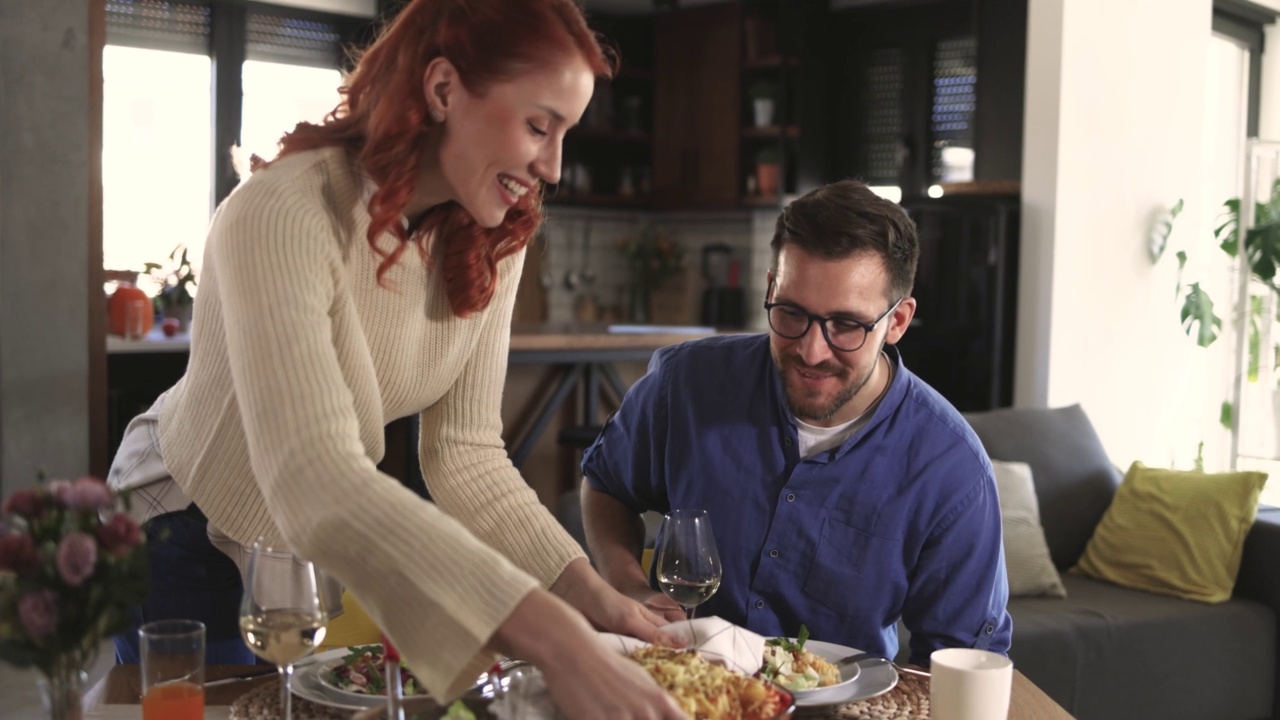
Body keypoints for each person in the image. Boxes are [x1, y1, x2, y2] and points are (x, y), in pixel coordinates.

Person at [106, 1, 687, 716]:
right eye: (539, 126)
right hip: (187, 521)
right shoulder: (280, 212)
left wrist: (597, 598)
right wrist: (557, 639)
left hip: (304, 552)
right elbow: (314, 477)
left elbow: (467, 455)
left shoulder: (495, 237)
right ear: (443, 90)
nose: (555, 166)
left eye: (565, 133)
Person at [580, 180, 1013, 667]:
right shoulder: (686, 383)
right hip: (681, 692)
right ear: (770, 288)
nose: (811, 351)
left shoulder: (951, 468)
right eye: (790, 313)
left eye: (846, 325)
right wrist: (628, 587)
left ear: (897, 321)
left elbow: (963, 660)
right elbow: (607, 486)